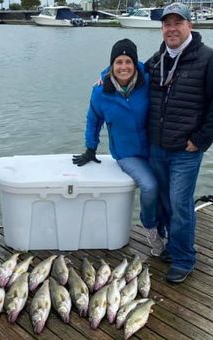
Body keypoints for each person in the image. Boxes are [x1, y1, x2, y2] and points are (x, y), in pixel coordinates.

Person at [73, 39, 165, 257]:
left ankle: (168, 232)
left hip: (155, 148)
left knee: (168, 190)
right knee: (150, 187)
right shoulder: (100, 92)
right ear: (112, 65)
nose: (124, 67)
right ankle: (150, 228)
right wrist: (90, 148)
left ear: (135, 63)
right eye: (118, 62)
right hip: (127, 154)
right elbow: (93, 120)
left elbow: (159, 59)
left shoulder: (148, 81)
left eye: (128, 62)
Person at [145, 3, 213, 283]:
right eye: (166, 24)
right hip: (157, 146)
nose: (171, 29)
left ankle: (184, 258)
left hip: (186, 150)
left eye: (178, 23)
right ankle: (171, 248)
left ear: (190, 25)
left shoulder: (207, 59)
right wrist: (104, 79)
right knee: (163, 202)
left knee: (180, 204)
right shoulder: (158, 58)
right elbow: (127, 74)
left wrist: (200, 140)